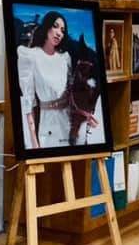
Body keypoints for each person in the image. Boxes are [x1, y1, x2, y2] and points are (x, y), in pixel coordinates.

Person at [17, 11, 99, 150]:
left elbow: (70, 95)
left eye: (62, 30)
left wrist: (85, 115)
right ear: (47, 26)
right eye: (55, 26)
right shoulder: (31, 56)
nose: (59, 33)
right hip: (48, 125)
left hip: (68, 124)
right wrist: (34, 142)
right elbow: (28, 102)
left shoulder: (64, 58)